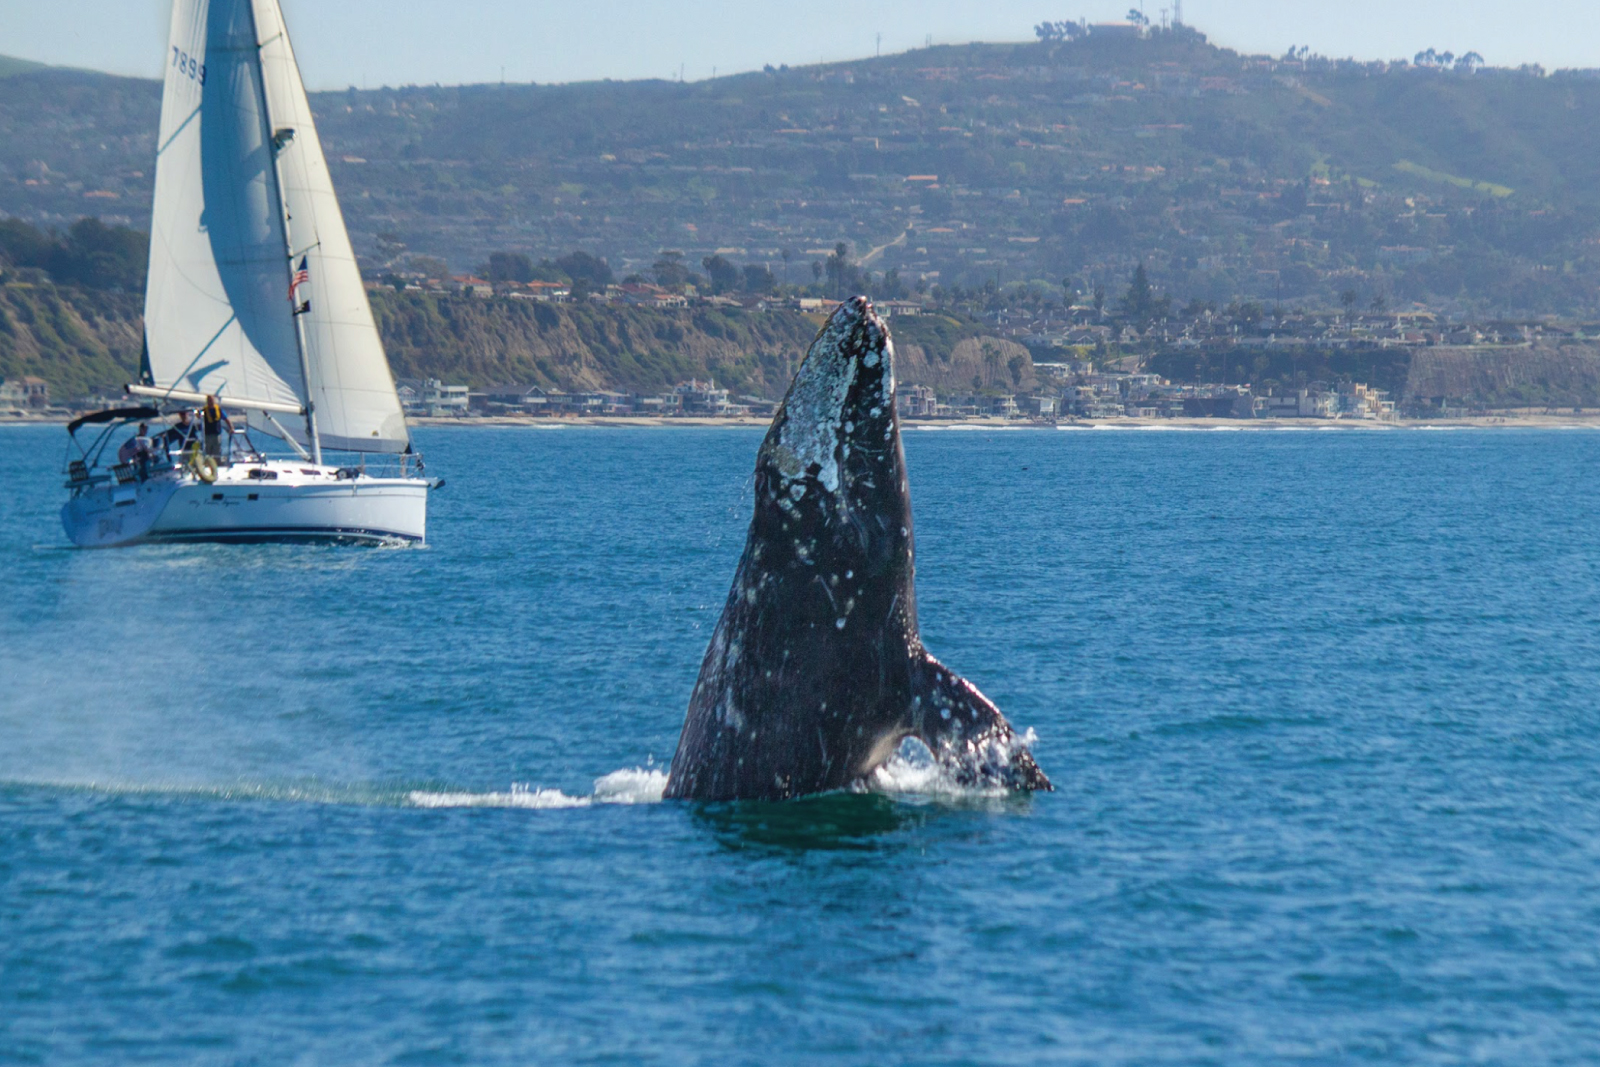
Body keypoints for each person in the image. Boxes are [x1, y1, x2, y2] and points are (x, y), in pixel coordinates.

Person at [202, 395, 234, 460]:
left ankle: (217, 462)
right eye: (209, 401)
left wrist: (231, 427)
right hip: (207, 434)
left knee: (217, 450)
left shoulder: (218, 410)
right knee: (208, 450)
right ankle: (208, 463)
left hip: (216, 434)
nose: (210, 402)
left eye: (211, 400)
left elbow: (226, 419)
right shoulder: (204, 410)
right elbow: (198, 415)